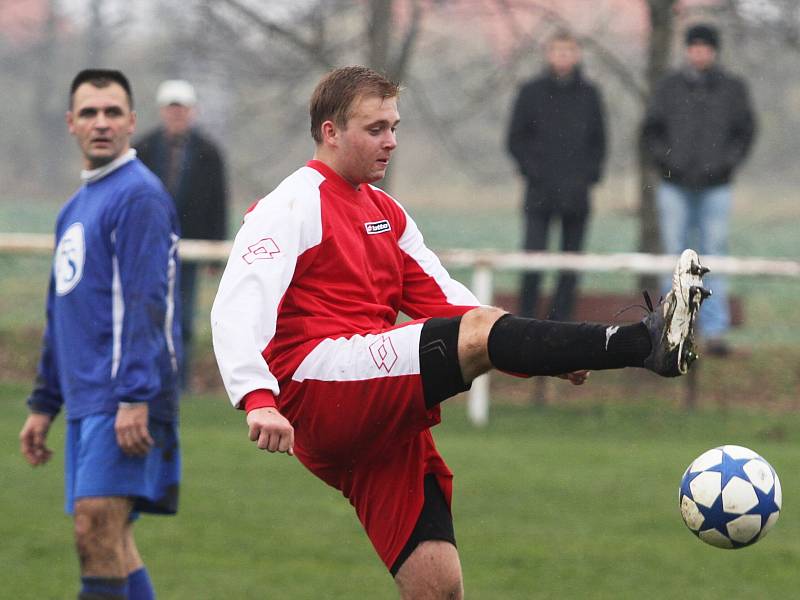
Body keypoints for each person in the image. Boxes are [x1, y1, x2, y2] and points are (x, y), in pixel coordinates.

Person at [210, 65, 708, 599]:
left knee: (438, 587)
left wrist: (543, 353)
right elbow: (236, 306)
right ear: (330, 132)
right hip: (317, 385)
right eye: (375, 129)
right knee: (470, 334)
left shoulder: (386, 213)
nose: (392, 141)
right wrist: (258, 398)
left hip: (376, 417)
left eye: (395, 127)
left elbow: (452, 303)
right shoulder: (290, 205)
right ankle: (645, 343)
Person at [19, 69, 181, 600]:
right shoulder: (75, 206)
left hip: (124, 397)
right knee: (110, 539)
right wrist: (45, 402)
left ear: (133, 122)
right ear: (71, 123)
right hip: (89, 400)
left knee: (94, 529)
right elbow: (60, 309)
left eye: (113, 112)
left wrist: (135, 395)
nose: (102, 122)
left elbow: (146, 302)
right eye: (89, 112)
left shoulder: (139, 197)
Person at [641, 23, 756, 356]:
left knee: (714, 255)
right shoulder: (669, 87)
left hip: (716, 186)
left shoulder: (733, 89)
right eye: (694, 46)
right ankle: (668, 327)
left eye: (705, 47)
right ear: (687, 50)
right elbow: (651, 132)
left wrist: (724, 165)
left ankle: (715, 331)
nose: (699, 52)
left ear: (714, 50)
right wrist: (667, 164)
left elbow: (744, 132)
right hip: (674, 186)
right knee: (673, 256)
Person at [506, 30, 606, 321]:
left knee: (571, 262)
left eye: (568, 51)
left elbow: (599, 142)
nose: (563, 57)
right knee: (533, 258)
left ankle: (562, 323)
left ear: (577, 55)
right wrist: (533, 171)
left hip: (577, 193)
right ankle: (525, 322)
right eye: (557, 51)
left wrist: (587, 177)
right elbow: (515, 139)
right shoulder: (530, 92)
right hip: (539, 191)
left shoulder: (590, 95)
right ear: (548, 54)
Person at [136, 79, 228, 389]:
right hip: (149, 248)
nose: (177, 115)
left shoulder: (209, 152)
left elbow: (219, 201)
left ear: (192, 112)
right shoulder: (143, 148)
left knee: (184, 318)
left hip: (191, 248)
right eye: (172, 109)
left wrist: (215, 250)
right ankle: (148, 378)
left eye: (182, 109)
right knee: (148, 314)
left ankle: (179, 382)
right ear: (163, 111)